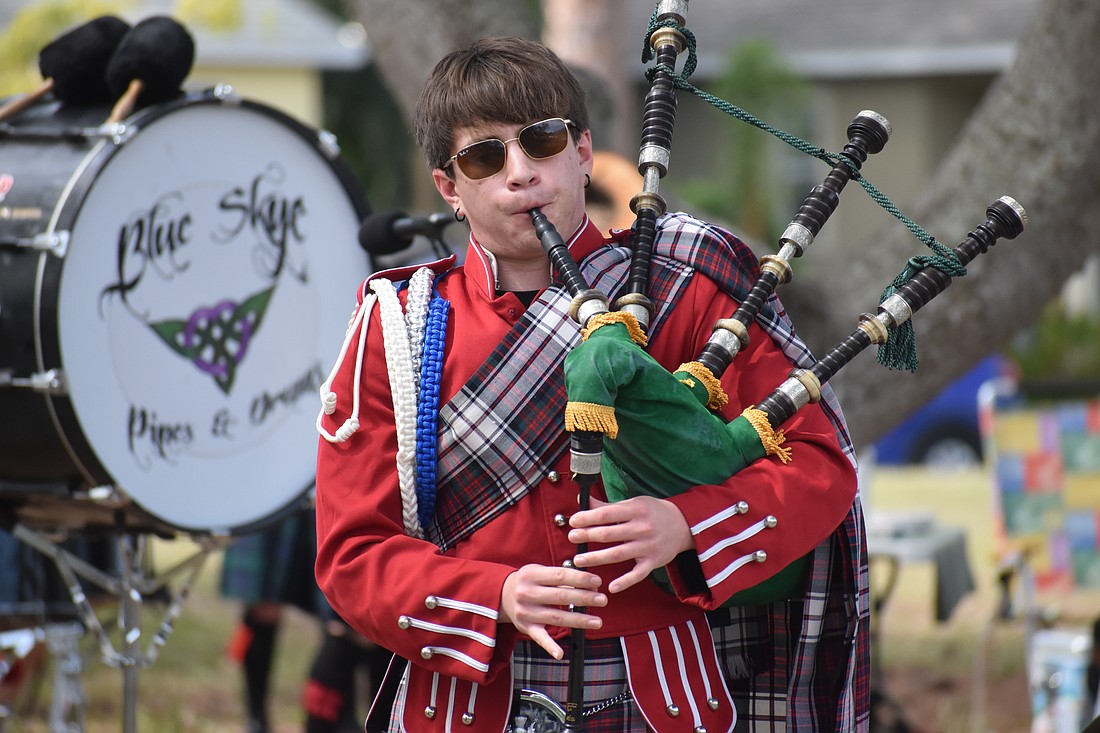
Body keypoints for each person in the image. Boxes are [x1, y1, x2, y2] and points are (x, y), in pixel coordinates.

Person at [314, 36, 869, 732]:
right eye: (485, 156)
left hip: (663, 697)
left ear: (581, 152)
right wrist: (499, 593)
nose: (520, 173)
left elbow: (819, 465)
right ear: (449, 188)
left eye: (541, 142)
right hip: (466, 700)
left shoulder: (688, 290)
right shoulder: (397, 330)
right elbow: (353, 553)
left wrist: (686, 525)